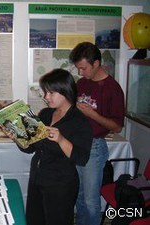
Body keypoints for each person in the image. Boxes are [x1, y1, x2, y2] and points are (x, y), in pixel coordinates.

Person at [10, 68, 93, 225]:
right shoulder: (46, 114)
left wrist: (61, 139)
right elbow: (31, 148)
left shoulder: (79, 121)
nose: (46, 97)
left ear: (66, 92)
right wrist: (17, 136)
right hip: (37, 178)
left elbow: (82, 158)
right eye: (45, 92)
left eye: (51, 93)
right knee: (35, 220)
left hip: (60, 184)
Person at [69, 42, 125, 225]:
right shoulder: (82, 83)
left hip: (94, 147)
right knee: (78, 196)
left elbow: (117, 127)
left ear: (96, 63)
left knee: (91, 202)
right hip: (77, 144)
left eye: (83, 68)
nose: (80, 73)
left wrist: (92, 114)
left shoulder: (113, 88)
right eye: (78, 68)